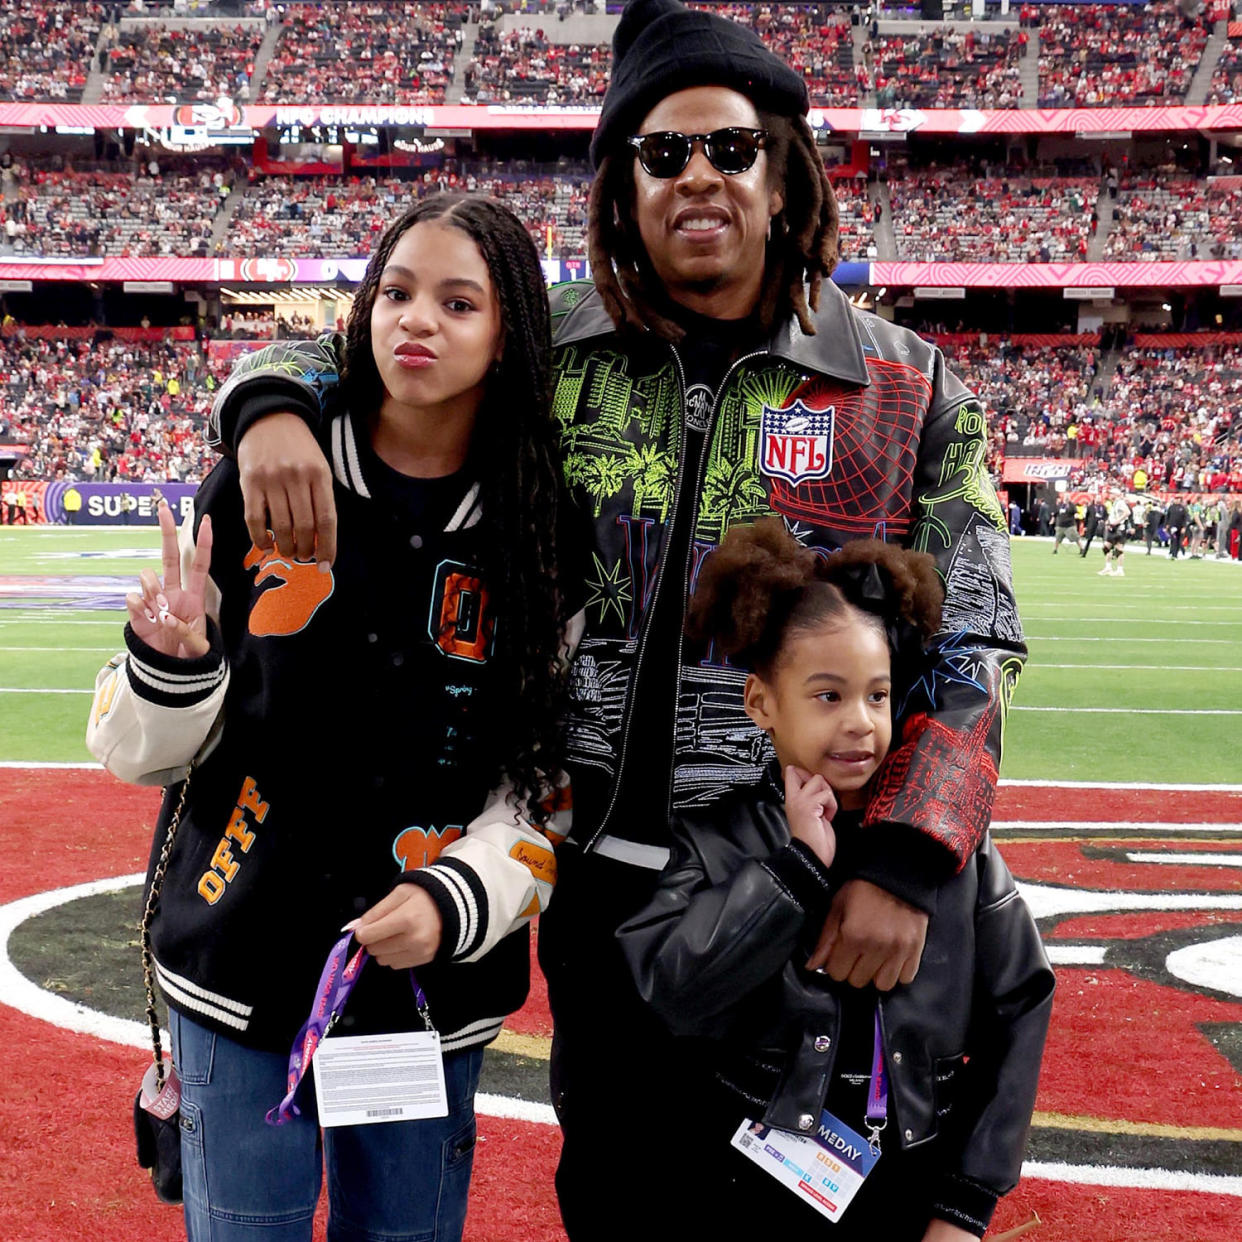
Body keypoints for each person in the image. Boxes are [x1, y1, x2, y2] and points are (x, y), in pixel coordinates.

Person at [201, 3, 1025, 1234]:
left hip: (806, 896)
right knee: (620, 1209)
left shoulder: (903, 386)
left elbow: (975, 644)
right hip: (599, 908)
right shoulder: (557, 358)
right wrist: (267, 399)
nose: (698, 177)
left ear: (786, 170)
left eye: (731, 150)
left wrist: (902, 862)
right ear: (621, 186)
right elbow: (383, 347)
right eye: (660, 154)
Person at [86, 195, 573, 1242]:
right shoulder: (269, 472)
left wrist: (454, 900)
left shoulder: (539, 528)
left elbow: (543, 785)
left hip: (428, 990)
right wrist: (172, 665)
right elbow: (139, 756)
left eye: (458, 301)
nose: (418, 320)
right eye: (396, 291)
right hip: (239, 962)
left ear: (510, 335)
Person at [619, 519, 1053, 1241]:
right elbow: (671, 989)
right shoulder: (716, 842)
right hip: (747, 1189)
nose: (859, 723)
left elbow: (1022, 1003)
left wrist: (966, 1201)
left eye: (878, 696)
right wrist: (791, 872)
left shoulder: (952, 858)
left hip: (913, 1189)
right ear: (761, 703)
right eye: (828, 696)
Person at [1100, 489, 1131, 576]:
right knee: (1106, 547)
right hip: (1113, 528)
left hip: (1119, 528)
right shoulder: (1115, 503)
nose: (1110, 495)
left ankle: (1120, 570)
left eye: (1111, 493)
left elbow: (1127, 512)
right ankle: (1108, 567)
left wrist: (1117, 522)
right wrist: (1108, 522)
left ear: (1116, 494)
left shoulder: (1120, 502)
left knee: (1118, 549)